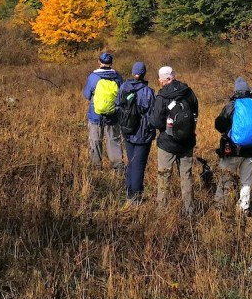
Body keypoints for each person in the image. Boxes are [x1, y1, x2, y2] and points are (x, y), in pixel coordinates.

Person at [151, 66, 199, 216]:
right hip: (187, 142)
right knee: (186, 175)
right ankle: (189, 210)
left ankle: (162, 210)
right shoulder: (188, 91)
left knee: (164, 176)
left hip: (167, 143)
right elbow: (195, 113)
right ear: (174, 76)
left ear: (163, 79)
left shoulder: (162, 96)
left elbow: (156, 122)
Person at [214, 77, 252, 214]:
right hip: (251, 150)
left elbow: (219, 125)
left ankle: (220, 206)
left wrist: (227, 132)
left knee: (226, 177)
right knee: (246, 181)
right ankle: (244, 207)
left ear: (235, 90)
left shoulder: (231, 105)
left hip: (233, 150)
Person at [116, 62, 156, 205]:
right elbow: (153, 114)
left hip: (127, 131)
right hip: (142, 133)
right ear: (144, 73)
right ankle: (136, 197)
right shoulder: (148, 91)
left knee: (131, 161)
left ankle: (129, 192)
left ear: (133, 72)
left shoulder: (123, 87)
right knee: (139, 164)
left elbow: (117, 106)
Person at [82, 52, 124, 173]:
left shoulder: (93, 77)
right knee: (113, 140)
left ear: (99, 62)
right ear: (111, 63)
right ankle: (118, 167)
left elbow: (87, 95)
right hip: (113, 115)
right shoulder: (117, 77)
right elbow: (121, 95)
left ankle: (96, 168)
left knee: (95, 140)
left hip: (95, 115)